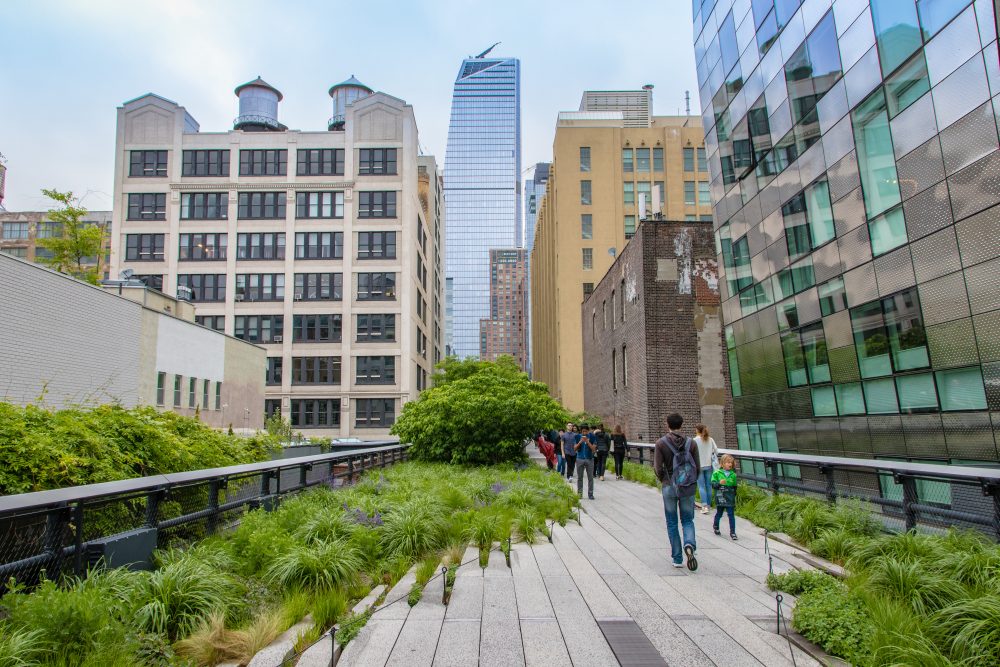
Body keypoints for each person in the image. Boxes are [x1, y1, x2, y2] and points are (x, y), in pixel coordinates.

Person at [654, 413, 700, 571]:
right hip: (688, 486)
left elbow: (658, 468)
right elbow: (697, 468)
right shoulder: (691, 443)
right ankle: (689, 544)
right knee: (688, 520)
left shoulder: (661, 443)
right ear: (682, 424)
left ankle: (677, 557)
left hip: (669, 486)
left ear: (668, 424)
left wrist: (664, 480)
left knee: (672, 522)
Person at [694, 424, 719, 515]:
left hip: (699, 466)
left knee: (701, 486)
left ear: (697, 430)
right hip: (709, 465)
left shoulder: (694, 441)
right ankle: (708, 505)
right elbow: (716, 451)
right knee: (708, 485)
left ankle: (704, 506)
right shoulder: (710, 439)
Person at [712, 454, 738, 540]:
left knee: (731, 515)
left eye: (731, 462)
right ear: (722, 464)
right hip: (720, 496)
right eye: (727, 462)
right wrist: (719, 483)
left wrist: (734, 495)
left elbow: (734, 487)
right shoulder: (716, 473)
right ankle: (716, 526)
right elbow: (713, 485)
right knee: (719, 513)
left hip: (729, 497)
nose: (730, 464)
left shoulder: (733, 475)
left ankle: (733, 532)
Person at [574, 424, 596, 499]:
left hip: (589, 459)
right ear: (581, 431)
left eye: (586, 431)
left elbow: (594, 449)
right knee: (580, 478)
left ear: (588, 431)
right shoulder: (577, 437)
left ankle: (590, 494)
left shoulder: (592, 437)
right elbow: (574, 449)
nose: (584, 433)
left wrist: (587, 442)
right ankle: (579, 494)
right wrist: (580, 442)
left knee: (590, 477)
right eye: (583, 432)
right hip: (579, 459)